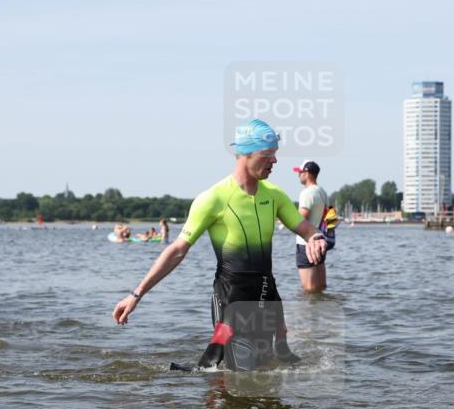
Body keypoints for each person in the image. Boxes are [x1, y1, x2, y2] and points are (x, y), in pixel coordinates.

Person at [112, 119, 327, 371]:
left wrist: (316, 238)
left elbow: (305, 228)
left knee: (269, 369)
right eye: (267, 154)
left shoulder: (274, 194)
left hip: (267, 292)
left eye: (275, 154)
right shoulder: (213, 198)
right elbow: (176, 250)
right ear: (246, 153)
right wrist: (136, 294)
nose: (274, 161)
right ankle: (209, 395)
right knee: (235, 373)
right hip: (231, 296)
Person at [293, 160, 330, 293]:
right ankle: (320, 313)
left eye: (300, 172)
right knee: (320, 287)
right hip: (320, 242)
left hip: (306, 244)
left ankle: (308, 313)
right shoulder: (323, 192)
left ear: (307, 173)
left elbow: (300, 219)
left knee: (308, 290)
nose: (298, 175)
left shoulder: (307, 193)